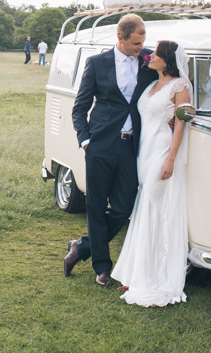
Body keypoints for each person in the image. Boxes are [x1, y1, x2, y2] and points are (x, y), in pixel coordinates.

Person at [63, 14, 159, 287]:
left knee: (123, 206)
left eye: (143, 42)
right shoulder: (96, 63)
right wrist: (85, 140)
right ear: (120, 38)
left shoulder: (149, 60)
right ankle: (102, 268)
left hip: (132, 145)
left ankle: (81, 247)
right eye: (136, 43)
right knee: (95, 205)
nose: (141, 48)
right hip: (100, 144)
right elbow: (80, 107)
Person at [111, 40, 192, 307]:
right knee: (145, 205)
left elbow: (181, 125)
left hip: (162, 152)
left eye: (156, 54)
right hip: (144, 152)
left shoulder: (181, 87)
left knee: (156, 208)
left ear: (167, 60)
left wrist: (171, 159)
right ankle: (137, 271)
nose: (150, 57)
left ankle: (154, 275)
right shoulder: (152, 84)